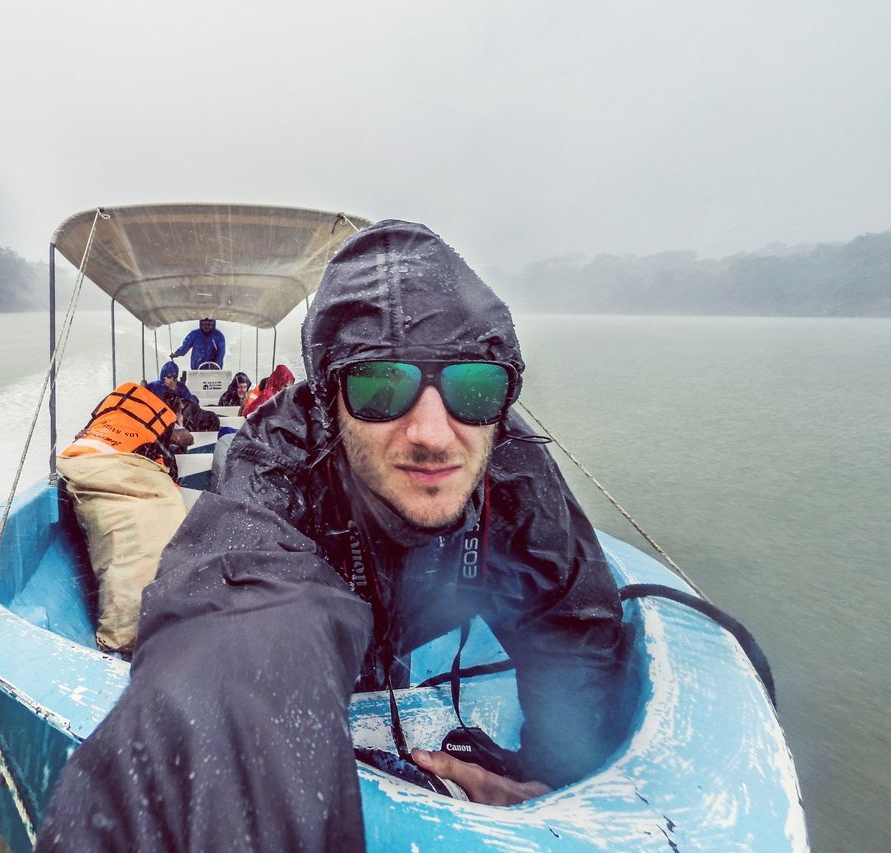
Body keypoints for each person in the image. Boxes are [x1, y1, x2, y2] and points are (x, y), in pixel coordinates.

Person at [38, 221, 623, 849]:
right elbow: (241, 613)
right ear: (327, 397)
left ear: (504, 396)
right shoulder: (276, 460)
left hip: (416, 622)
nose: (432, 433)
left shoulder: (513, 467)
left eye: (472, 387)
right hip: (313, 640)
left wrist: (549, 787)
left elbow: (570, 629)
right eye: (381, 387)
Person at [54, 381, 192, 655]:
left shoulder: (108, 412)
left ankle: (126, 629)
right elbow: (184, 441)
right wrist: (177, 426)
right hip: (117, 473)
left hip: (75, 468)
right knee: (171, 516)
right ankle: (131, 634)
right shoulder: (160, 417)